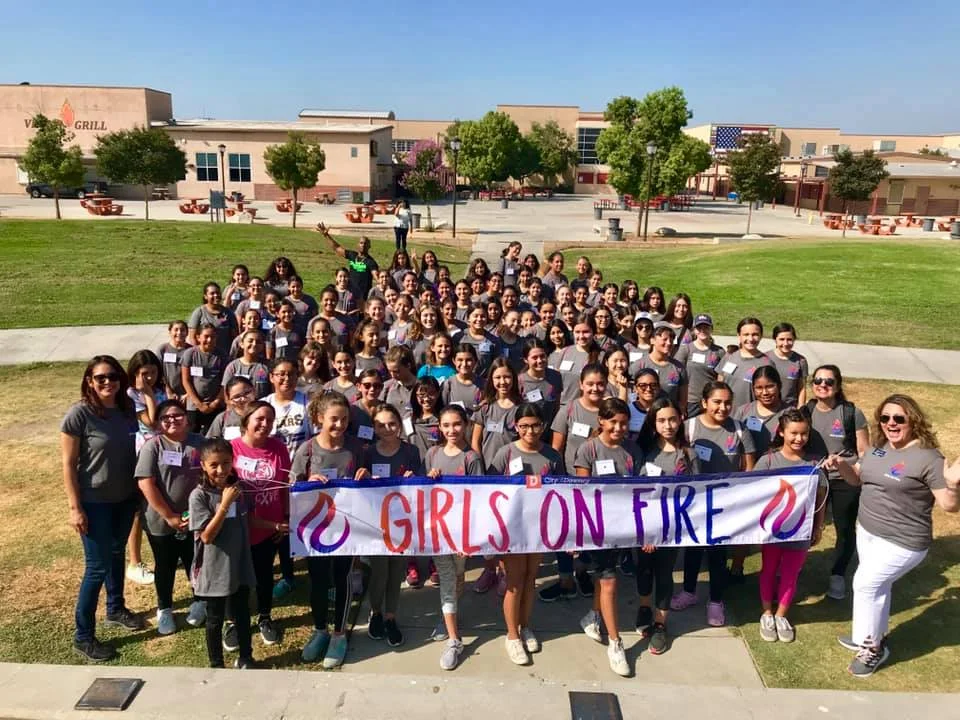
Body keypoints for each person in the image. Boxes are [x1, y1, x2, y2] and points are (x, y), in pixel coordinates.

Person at [832, 395, 960, 677]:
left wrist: (952, 483)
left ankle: (873, 649)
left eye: (899, 418)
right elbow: (858, 478)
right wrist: (841, 467)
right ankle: (866, 634)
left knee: (865, 585)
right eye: (885, 418)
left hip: (903, 542)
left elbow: (949, 506)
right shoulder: (879, 449)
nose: (891, 423)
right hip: (867, 531)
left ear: (913, 420)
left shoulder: (929, 458)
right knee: (878, 589)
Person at [61, 356, 145, 662]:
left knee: (116, 553)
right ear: (89, 381)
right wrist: (75, 507)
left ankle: (115, 608)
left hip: (124, 499)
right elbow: (69, 466)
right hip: (94, 503)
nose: (108, 382)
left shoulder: (126, 412)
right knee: (96, 567)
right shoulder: (79, 415)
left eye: (113, 376)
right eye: (100, 378)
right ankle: (83, 636)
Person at [672, 382, 756, 626]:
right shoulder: (690, 427)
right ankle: (689, 591)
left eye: (728, 402)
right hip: (694, 502)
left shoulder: (739, 430)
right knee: (693, 549)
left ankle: (716, 601)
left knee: (719, 554)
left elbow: (749, 468)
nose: (723, 407)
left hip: (725, 504)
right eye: (717, 402)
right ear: (705, 402)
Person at [293, 392, 366, 668]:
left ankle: (339, 633)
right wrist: (308, 481)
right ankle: (320, 628)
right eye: (334, 419)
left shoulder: (356, 448)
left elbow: (369, 481)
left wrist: (365, 476)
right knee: (319, 580)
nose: (340, 425)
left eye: (345, 419)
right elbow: (292, 485)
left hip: (347, 527)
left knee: (343, 576)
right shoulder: (307, 450)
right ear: (319, 418)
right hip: (315, 530)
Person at [488, 403, 562, 665]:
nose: (530, 431)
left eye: (535, 425)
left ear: (543, 426)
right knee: (515, 581)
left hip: (539, 528)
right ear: (516, 427)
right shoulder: (504, 453)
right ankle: (512, 635)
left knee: (531, 579)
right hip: (513, 528)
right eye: (524, 426)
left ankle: (525, 624)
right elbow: (489, 492)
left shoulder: (552, 456)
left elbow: (561, 494)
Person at [574, 397, 639, 677]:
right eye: (613, 421)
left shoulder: (632, 450)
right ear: (601, 420)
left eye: (623, 423)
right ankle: (616, 642)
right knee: (610, 581)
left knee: (604, 579)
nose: (618, 427)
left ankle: (591, 616)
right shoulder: (587, 449)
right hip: (598, 529)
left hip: (623, 526)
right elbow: (582, 491)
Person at [754, 408, 828, 645]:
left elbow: (821, 494)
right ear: (782, 432)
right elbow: (751, 493)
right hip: (772, 530)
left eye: (804, 434)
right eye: (793, 433)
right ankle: (766, 613)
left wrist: (818, 526)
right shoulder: (767, 460)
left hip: (801, 530)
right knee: (768, 569)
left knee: (790, 573)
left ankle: (781, 615)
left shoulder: (815, 463)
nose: (799, 439)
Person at [135, 399, 206, 635]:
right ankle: (164, 609)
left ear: (187, 418)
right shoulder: (153, 446)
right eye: (166, 418)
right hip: (161, 521)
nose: (172, 421)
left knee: (194, 562)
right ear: (159, 423)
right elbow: (146, 484)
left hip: (194, 518)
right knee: (164, 566)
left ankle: (199, 602)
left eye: (177, 415)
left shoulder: (199, 443)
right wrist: (169, 516)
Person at [538, 364, 608, 602]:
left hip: (599, 486)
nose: (595, 388)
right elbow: (556, 448)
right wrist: (556, 480)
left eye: (600, 383)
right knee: (565, 531)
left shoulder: (610, 410)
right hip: (568, 483)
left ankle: (583, 572)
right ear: (581, 384)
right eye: (590, 384)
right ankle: (566, 579)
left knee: (592, 531)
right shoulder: (569, 410)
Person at [424, 403, 485, 671]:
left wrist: (470, 539)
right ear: (439, 427)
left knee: (459, 577)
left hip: (462, 533)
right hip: (438, 530)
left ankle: (449, 616)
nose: (451, 430)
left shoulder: (472, 458)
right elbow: (424, 490)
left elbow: (479, 497)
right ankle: (453, 639)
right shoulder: (433, 453)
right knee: (447, 579)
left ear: (466, 425)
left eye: (457, 424)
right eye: (446, 425)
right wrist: (431, 478)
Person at [637, 397, 699, 654]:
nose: (668, 425)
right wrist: (646, 532)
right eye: (661, 420)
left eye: (672, 419)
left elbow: (697, 492)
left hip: (672, 529)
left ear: (680, 419)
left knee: (664, 574)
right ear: (653, 422)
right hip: (643, 527)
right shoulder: (643, 451)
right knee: (643, 571)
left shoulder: (689, 454)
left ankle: (661, 624)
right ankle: (644, 607)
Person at [189, 439, 257, 669]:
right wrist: (225, 504)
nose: (221, 470)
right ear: (203, 465)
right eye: (214, 465)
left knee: (242, 613)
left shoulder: (239, 488)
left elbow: (248, 519)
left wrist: (276, 526)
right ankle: (216, 663)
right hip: (214, 566)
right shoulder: (199, 496)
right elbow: (207, 536)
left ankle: (246, 657)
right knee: (215, 618)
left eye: (226, 463)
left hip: (239, 562)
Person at [229, 401, 290, 650]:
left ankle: (265, 617)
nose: (265, 425)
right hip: (238, 530)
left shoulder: (279, 448)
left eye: (270, 420)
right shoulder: (231, 449)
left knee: (265, 575)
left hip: (270, 527)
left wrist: (284, 518)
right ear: (246, 422)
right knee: (236, 580)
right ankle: (233, 622)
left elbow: (284, 484)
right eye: (259, 419)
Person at [805, 364, 869, 601]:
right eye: (818, 381)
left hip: (844, 479)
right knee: (807, 524)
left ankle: (838, 574)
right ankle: (797, 564)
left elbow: (864, 451)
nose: (823, 385)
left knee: (844, 527)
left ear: (838, 386)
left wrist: (853, 469)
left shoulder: (851, 413)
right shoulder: (806, 411)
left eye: (829, 382)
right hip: (815, 479)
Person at [363, 403, 420, 648]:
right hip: (375, 521)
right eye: (380, 425)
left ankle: (391, 616)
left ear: (400, 424)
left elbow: (422, 483)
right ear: (373, 427)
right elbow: (356, 484)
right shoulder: (366, 452)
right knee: (379, 572)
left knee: (396, 571)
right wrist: (364, 478)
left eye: (392, 424)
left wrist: (414, 478)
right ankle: (375, 611)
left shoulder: (411, 451)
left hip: (402, 521)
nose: (387, 429)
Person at [674, 314, 726, 417]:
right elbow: (677, 375)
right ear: (694, 330)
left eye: (706, 327)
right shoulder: (686, 349)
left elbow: (721, 378)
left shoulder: (719, 352)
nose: (703, 330)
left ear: (711, 329)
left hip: (710, 401)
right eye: (699, 328)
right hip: (690, 401)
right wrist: (681, 402)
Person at [180, 324, 226, 435]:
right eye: (206, 336)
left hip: (214, 405)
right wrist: (198, 404)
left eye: (213, 337)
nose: (209, 340)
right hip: (194, 405)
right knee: (191, 435)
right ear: (198, 337)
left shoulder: (222, 356)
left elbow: (225, 382)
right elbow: (186, 380)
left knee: (212, 437)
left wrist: (215, 402)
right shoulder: (190, 354)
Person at [318, 225, 379, 307]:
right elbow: (337, 248)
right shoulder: (352, 255)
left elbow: (377, 277)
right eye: (361, 243)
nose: (363, 245)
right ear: (358, 244)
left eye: (365, 243)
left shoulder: (371, 262)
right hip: (349, 293)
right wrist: (326, 235)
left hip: (362, 297)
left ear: (369, 246)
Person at [719, 317, 771, 409]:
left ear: (761, 336)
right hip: (726, 413)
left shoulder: (766, 363)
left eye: (755, 334)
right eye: (746, 334)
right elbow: (720, 382)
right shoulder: (729, 357)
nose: (750, 339)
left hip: (750, 416)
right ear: (739, 336)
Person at [518, 338, 563, 427]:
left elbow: (557, 405)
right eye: (534, 358)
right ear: (526, 360)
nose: (539, 361)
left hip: (550, 431)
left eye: (542, 356)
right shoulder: (519, 381)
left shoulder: (555, 376)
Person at [187, 282, 238, 357]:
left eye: (218, 293)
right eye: (212, 293)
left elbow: (235, 336)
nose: (216, 295)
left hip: (223, 355)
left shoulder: (228, 313)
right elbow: (192, 337)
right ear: (205, 296)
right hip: (204, 355)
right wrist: (198, 354)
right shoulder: (199, 312)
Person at [766, 322, 808, 407]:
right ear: (775, 339)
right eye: (781, 339)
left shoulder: (801, 361)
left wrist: (800, 408)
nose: (785, 343)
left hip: (790, 408)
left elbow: (802, 388)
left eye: (789, 339)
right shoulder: (765, 359)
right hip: (768, 407)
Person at [223, 330, 270, 399]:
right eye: (250, 341)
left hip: (260, 407)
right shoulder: (233, 366)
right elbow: (226, 392)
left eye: (258, 342)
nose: (254, 344)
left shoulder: (267, 366)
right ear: (242, 344)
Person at [156, 320, 189, 402]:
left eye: (182, 330)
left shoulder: (191, 350)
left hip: (187, 395)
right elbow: (159, 372)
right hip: (167, 393)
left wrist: (188, 394)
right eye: (176, 329)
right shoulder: (163, 349)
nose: (179, 333)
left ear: (187, 333)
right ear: (170, 332)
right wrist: (168, 391)